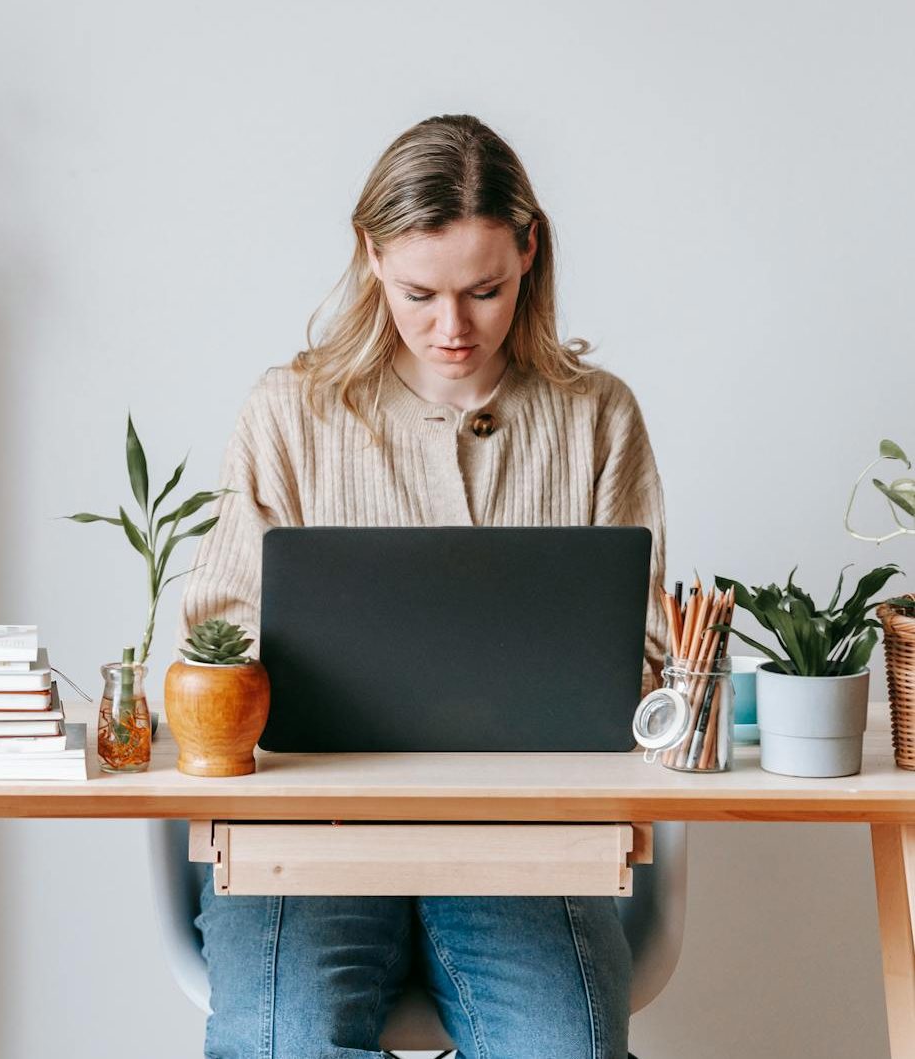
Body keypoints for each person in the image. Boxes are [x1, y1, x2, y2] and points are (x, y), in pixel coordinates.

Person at [178, 114, 666, 1059]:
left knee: (566, 1049)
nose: (455, 328)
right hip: (307, 832)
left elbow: (641, 655)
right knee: (282, 1044)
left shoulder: (598, 416)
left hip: (528, 838)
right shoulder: (290, 410)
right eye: (420, 293)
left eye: (485, 290)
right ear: (369, 256)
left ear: (530, 250)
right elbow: (219, 630)